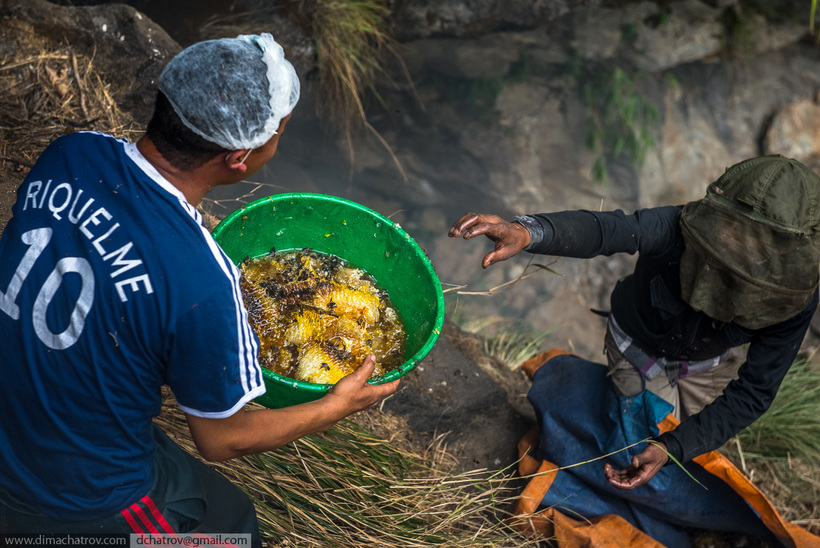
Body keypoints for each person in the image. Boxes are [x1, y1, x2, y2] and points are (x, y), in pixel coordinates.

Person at [0, 33, 398, 540]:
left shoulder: (73, 153)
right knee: (233, 526)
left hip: (19, 400)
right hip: (57, 492)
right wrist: (332, 406)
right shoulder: (204, 284)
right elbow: (222, 440)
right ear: (239, 159)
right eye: (280, 131)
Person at [448, 155, 820, 490]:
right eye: (738, 233)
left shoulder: (792, 296)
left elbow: (753, 392)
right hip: (636, 347)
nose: (744, 249)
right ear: (723, 216)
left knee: (685, 453)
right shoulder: (680, 228)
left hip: (708, 365)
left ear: (791, 250)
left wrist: (673, 447)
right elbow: (606, 230)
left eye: (763, 245)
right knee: (635, 450)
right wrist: (529, 231)